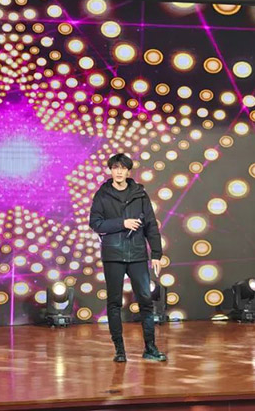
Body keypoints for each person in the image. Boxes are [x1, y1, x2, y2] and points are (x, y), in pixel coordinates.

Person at [88, 153, 167, 363]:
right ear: (110, 170)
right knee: (114, 302)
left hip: (138, 254)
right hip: (113, 254)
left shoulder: (140, 194)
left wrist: (156, 254)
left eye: (123, 168)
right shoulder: (102, 195)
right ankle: (120, 350)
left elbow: (151, 225)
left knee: (146, 301)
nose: (119, 171)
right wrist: (122, 223)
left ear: (128, 171)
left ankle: (150, 348)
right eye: (115, 168)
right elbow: (95, 223)